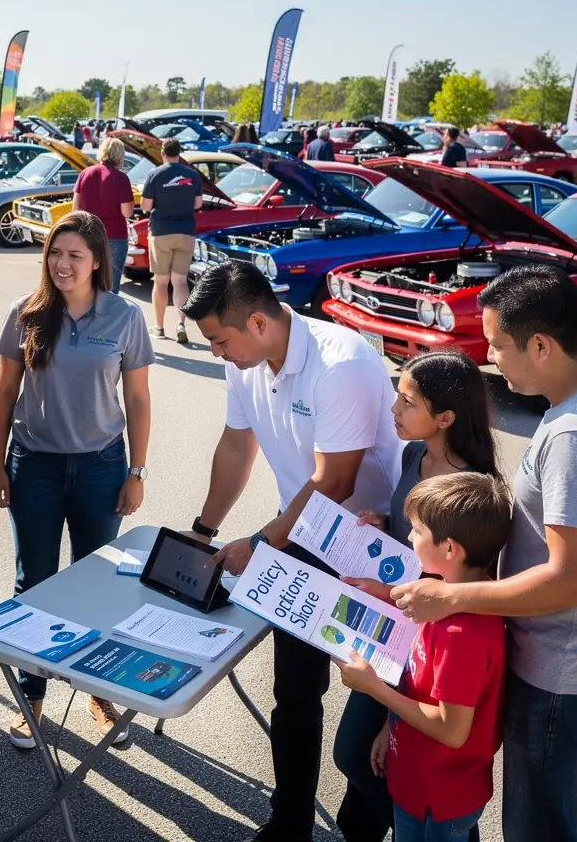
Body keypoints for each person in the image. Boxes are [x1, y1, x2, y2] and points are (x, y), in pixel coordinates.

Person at [184, 261, 400, 842]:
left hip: (371, 547)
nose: (215, 352)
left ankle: (364, 829)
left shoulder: (342, 362)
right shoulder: (246, 362)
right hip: (299, 536)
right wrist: (204, 529)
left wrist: (260, 544)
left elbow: (335, 482)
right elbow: (236, 446)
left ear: (258, 322)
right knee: (295, 693)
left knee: (374, 699)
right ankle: (290, 823)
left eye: (219, 340)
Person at [392, 266, 577, 842]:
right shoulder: (569, 414)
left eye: (498, 345)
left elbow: (573, 577)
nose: (492, 359)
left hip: (560, 673)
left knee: (541, 827)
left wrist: (450, 595)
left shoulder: (574, 434)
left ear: (541, 345)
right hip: (559, 665)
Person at [0, 212, 153, 748]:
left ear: (95, 262)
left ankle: (96, 691)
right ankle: (31, 696)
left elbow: (137, 399)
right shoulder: (27, 313)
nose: (62, 264)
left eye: (74, 256)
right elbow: (2, 398)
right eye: (55, 254)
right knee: (34, 584)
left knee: (94, 585)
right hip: (33, 466)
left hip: (101, 469)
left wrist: (136, 471)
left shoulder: (125, 315)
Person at [333, 351, 499, 842]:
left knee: (362, 753)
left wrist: (388, 591)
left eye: (407, 402)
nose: (394, 410)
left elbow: (464, 584)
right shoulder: (412, 455)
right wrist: (387, 521)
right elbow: (416, 531)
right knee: (360, 752)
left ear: (445, 418)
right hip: (398, 625)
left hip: (427, 637)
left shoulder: (473, 490)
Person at [338, 473, 512, 842]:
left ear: (450, 549)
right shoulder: (442, 598)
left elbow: (452, 729)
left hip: (439, 797)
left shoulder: (461, 635)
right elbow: (423, 686)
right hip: (419, 780)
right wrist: (391, 726)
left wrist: (374, 689)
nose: (408, 537)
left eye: (417, 531)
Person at [140, 138, 203, 343]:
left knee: (160, 281)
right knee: (180, 281)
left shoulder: (155, 174)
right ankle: (181, 323)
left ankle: (158, 327)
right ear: (179, 153)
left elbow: (146, 207)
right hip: (186, 232)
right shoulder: (193, 175)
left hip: (161, 232)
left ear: (162, 153)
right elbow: (198, 203)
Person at [73, 137, 135, 293]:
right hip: (115, 235)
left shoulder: (85, 174)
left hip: (89, 234)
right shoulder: (121, 178)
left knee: (88, 282)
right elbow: (127, 212)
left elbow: (75, 209)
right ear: (119, 156)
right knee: (110, 285)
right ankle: (106, 316)